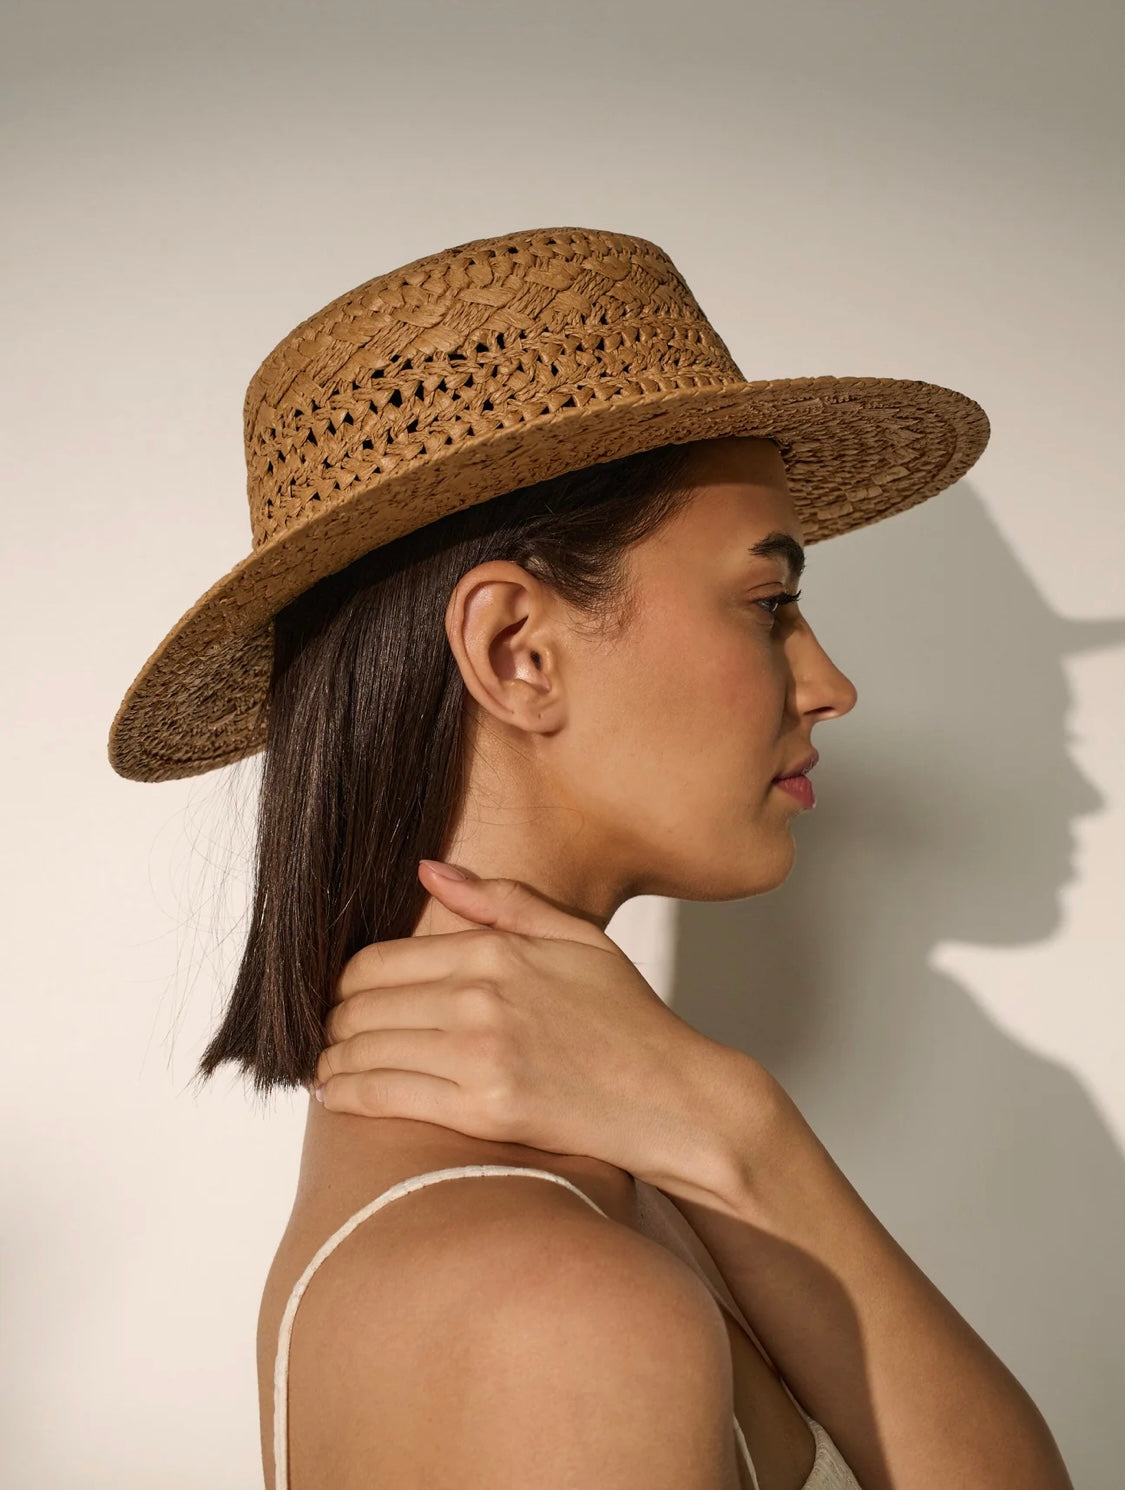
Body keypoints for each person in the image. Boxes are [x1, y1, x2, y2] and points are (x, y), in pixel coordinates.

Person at [108, 226, 1071, 1490]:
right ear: (516, 650)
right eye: (769, 602)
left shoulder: (611, 1171)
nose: (830, 683)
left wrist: (737, 1125)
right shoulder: (556, 1305)